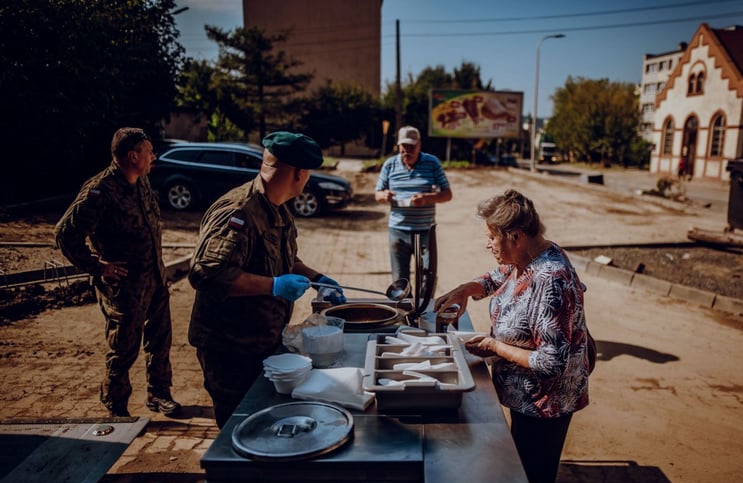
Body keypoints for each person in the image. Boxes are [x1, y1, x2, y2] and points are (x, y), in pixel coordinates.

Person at [433, 189, 591, 483]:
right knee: (521, 480)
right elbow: (501, 274)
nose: (487, 243)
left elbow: (550, 363)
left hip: (545, 404)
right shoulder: (527, 256)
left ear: (515, 236)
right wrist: (466, 289)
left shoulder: (551, 278)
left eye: (492, 236)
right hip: (525, 396)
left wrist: (491, 346)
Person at [188, 131, 346, 428]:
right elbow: (206, 274)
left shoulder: (277, 207)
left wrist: (317, 278)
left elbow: (287, 261)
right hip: (230, 347)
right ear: (300, 173)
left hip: (261, 340)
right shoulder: (239, 212)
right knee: (240, 427)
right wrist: (274, 285)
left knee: (262, 421)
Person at [55, 127, 181, 418]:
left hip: (155, 279)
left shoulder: (141, 182)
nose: (154, 156)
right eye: (149, 152)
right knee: (123, 348)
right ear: (132, 155)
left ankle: (159, 394)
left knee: (160, 340)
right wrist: (98, 267)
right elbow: (65, 234)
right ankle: (116, 406)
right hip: (124, 286)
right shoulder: (100, 191)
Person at [374, 126, 452, 283]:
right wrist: (384, 196)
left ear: (420, 145)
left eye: (412, 146)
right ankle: (403, 307)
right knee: (400, 281)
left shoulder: (432, 163)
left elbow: (447, 195)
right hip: (398, 232)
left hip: (425, 231)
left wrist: (426, 199)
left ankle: (424, 307)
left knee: (427, 279)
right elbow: (377, 194)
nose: (407, 150)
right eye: (404, 146)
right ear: (398, 146)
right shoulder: (390, 165)